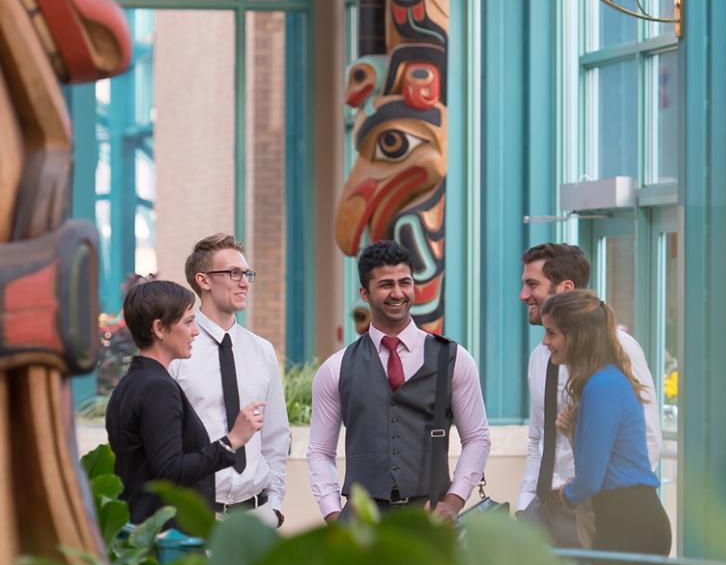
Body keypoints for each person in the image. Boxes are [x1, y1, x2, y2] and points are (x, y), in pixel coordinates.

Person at [307, 241, 491, 522]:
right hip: (361, 522)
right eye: (386, 285)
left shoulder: (454, 359)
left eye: (405, 282)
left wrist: (453, 501)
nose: (397, 293)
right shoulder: (336, 369)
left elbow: (477, 438)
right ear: (364, 293)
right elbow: (320, 452)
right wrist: (333, 515)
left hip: (429, 519)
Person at [516, 243, 662, 547]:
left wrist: (606, 509)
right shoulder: (540, 355)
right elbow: (538, 437)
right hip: (544, 511)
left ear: (565, 288)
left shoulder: (618, 352)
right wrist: (525, 504)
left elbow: (647, 438)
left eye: (532, 284)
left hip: (592, 510)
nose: (523, 295)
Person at [106, 280, 263, 524]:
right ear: (159, 328)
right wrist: (232, 441)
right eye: (188, 322)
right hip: (166, 540)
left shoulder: (131, 383)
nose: (196, 331)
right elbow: (171, 471)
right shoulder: (157, 388)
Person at [170, 234, 290, 528]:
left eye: (247, 273)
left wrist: (273, 507)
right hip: (197, 520)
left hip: (256, 517)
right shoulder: (176, 352)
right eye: (234, 273)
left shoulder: (262, 351)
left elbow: (276, 437)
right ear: (204, 280)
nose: (244, 282)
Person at [541, 290, 671, 555]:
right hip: (631, 516)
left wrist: (566, 495)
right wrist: (573, 433)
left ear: (577, 337)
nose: (545, 342)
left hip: (627, 521)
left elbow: (590, 478)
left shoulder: (600, 385)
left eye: (552, 333)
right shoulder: (607, 379)